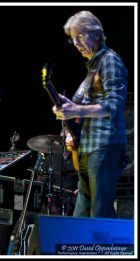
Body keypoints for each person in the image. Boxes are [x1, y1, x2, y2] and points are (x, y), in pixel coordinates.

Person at [52, 11, 128, 218]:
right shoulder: (92, 69)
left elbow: (114, 106)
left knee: (99, 216)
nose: (76, 43)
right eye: (73, 39)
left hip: (105, 148)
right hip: (89, 151)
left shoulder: (109, 61)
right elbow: (83, 109)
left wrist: (75, 110)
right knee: (81, 220)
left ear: (96, 33)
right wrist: (67, 110)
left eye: (80, 36)